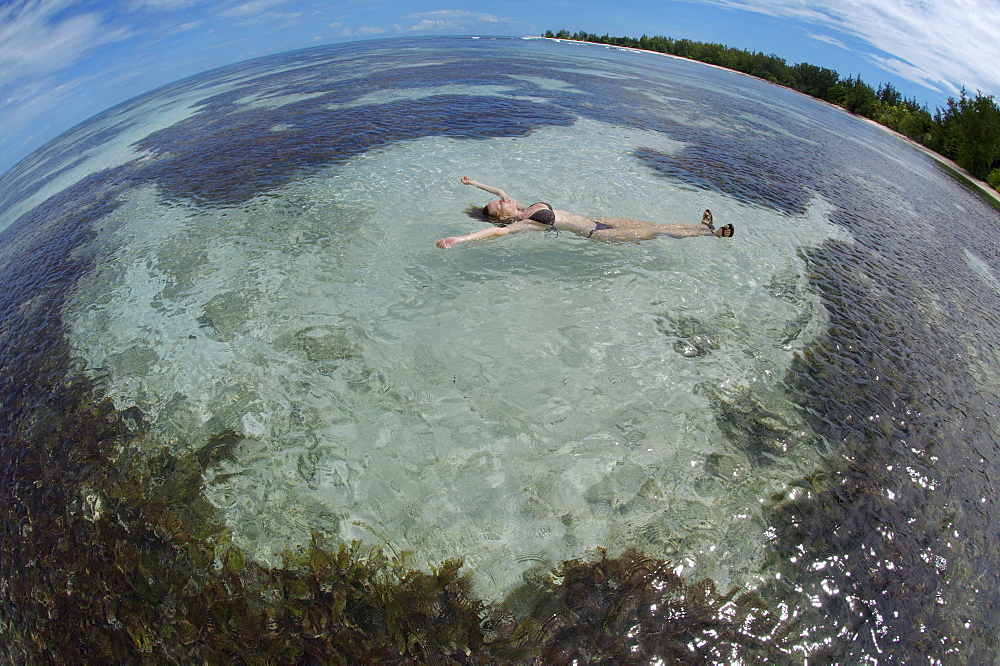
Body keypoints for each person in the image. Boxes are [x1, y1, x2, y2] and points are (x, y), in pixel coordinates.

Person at [436, 176, 734, 249]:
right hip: (598, 234)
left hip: (601, 221)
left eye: (501, 200)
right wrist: (461, 239)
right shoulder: (526, 223)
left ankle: (699, 226)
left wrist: (474, 183)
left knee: (653, 224)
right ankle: (711, 234)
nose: (503, 199)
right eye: (499, 206)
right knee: (657, 233)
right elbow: (496, 231)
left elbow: (498, 191)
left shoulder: (523, 206)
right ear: (504, 216)